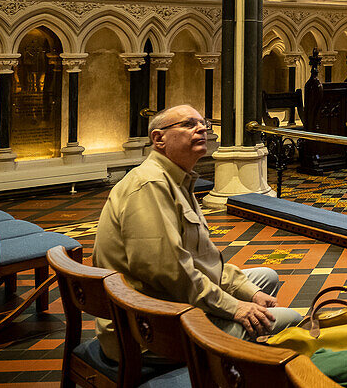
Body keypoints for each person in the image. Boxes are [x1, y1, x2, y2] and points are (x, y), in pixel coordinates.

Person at [93, 104, 302, 360]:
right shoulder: (151, 185)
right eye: (189, 124)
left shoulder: (178, 178)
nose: (202, 128)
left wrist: (250, 294)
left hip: (171, 301)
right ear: (159, 139)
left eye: (203, 123)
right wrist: (235, 307)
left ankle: (238, 357)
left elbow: (203, 259)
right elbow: (171, 273)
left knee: (265, 278)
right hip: (148, 328)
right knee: (292, 319)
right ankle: (238, 370)